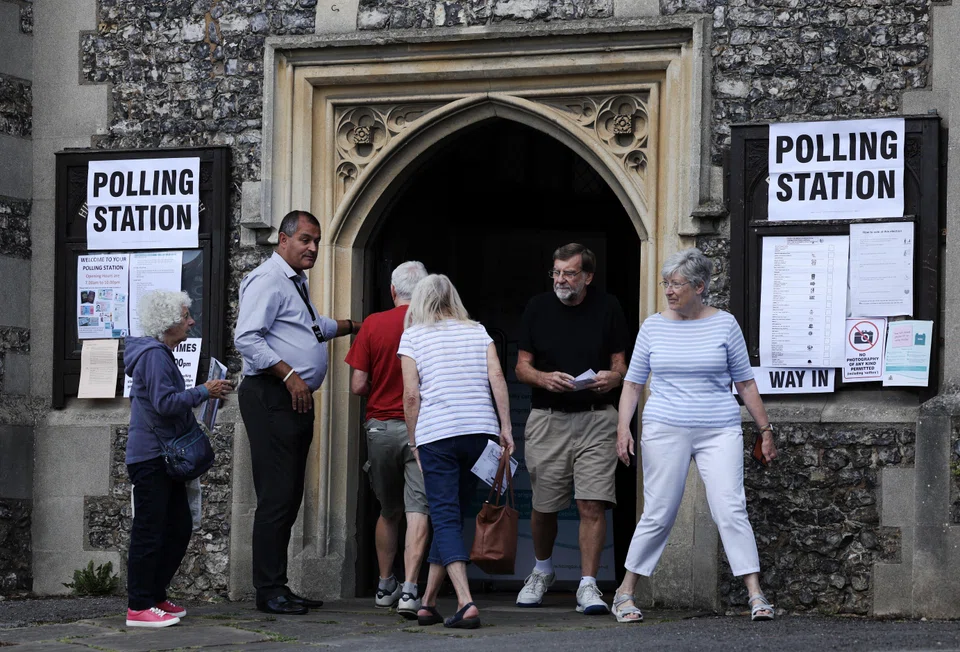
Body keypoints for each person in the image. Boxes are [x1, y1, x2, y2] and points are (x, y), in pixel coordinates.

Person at [611, 247, 778, 624]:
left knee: (730, 506)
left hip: (718, 427)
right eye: (666, 283)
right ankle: (624, 593)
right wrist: (624, 429)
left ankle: (755, 593)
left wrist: (765, 430)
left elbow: (746, 383)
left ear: (700, 286)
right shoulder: (653, 326)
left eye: (677, 284)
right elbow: (633, 385)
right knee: (659, 511)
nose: (669, 291)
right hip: (664, 426)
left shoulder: (725, 324)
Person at [235, 210, 361, 615]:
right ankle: (267, 589)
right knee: (276, 496)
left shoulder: (295, 282)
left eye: (317, 241)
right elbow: (247, 338)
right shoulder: (267, 280)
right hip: (271, 395)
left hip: (292, 399)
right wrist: (289, 374)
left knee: (289, 496)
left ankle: (279, 585)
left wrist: (355, 324)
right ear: (283, 241)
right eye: (305, 239)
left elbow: (309, 327)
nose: (313, 248)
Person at [514, 243, 628, 614]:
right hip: (549, 417)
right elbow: (521, 368)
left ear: (588, 276)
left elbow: (621, 367)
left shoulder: (608, 306)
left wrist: (611, 378)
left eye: (569, 273)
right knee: (544, 505)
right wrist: (545, 379)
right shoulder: (537, 307)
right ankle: (543, 570)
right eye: (557, 272)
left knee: (592, 502)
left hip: (597, 416)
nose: (561, 280)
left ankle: (588, 585)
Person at [398, 274, 514, 630]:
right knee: (454, 511)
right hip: (479, 433)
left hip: (438, 435)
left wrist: (415, 440)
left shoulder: (413, 336)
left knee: (444, 516)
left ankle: (465, 602)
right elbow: (497, 377)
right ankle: (429, 602)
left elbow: (412, 396)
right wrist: (506, 428)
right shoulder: (477, 331)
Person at [123, 290, 233, 628]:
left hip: (160, 456)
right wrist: (204, 391)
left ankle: (154, 595)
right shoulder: (155, 356)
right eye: (185, 316)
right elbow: (165, 403)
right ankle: (139, 606)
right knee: (150, 530)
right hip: (152, 457)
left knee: (178, 526)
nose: (191, 321)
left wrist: (204, 393)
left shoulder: (159, 353)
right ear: (169, 321)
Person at [345, 260, 430, 616]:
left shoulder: (373, 324)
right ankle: (410, 589)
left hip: (380, 427)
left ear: (393, 291)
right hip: (423, 427)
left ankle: (384, 585)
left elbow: (358, 385)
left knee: (388, 510)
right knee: (418, 509)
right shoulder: (431, 326)